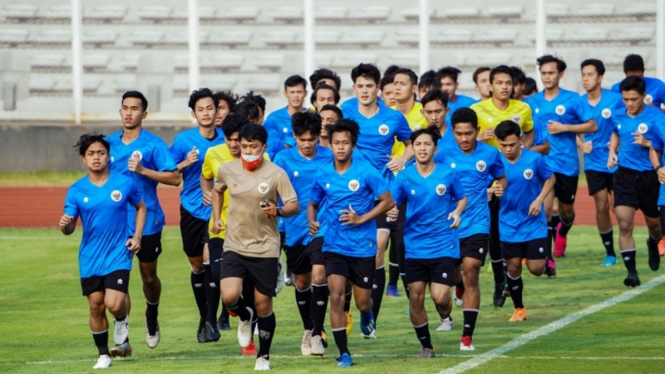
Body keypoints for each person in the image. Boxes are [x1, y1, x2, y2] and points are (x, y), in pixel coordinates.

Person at [211, 124, 299, 371]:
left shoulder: (276, 173)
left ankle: (263, 356)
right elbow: (217, 190)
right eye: (244, 146)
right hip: (235, 245)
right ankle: (244, 316)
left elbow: (293, 205)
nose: (248, 151)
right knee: (228, 296)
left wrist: (278, 210)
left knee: (264, 306)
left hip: (265, 248)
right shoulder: (228, 170)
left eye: (253, 147)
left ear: (264, 147)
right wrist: (217, 216)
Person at [308, 119, 395, 367]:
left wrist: (362, 218)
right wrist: (313, 222)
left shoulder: (366, 171)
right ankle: (344, 352)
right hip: (334, 245)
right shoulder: (323, 173)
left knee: (362, 301)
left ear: (353, 145)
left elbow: (387, 201)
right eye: (336, 143)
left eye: (345, 143)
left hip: (363, 247)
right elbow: (313, 204)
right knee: (335, 296)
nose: (340, 147)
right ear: (330, 144)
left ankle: (367, 314)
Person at [60, 133, 146, 369]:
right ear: (83, 159)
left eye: (101, 153)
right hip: (90, 257)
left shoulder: (123, 182)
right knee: (95, 305)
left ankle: (122, 318)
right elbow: (69, 228)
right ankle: (103, 355)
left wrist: (136, 236)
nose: (96, 158)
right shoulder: (76, 190)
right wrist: (66, 224)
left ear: (108, 156)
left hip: (118, 253)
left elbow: (141, 206)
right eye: (91, 154)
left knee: (114, 303)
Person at [341, 63, 412, 334]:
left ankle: (370, 316)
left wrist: (402, 159)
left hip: (382, 194)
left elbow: (410, 144)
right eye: (360, 86)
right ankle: (350, 307)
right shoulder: (345, 111)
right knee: (346, 256)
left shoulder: (392, 118)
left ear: (378, 89)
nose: (365, 91)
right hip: (350, 193)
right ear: (354, 88)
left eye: (370, 86)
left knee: (377, 251)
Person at [106, 91, 180, 350]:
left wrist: (144, 170)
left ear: (144, 114)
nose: (129, 112)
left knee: (148, 277)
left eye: (134, 108)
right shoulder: (108, 144)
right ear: (120, 111)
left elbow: (174, 178)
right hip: (115, 224)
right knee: (118, 278)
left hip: (148, 221)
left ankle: (152, 314)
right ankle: (122, 335)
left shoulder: (154, 144)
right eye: (125, 108)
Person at [391, 125, 467, 358]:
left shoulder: (447, 173)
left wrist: (457, 212)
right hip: (414, 246)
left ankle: (446, 310)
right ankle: (426, 346)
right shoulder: (404, 176)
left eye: (427, 144)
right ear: (412, 148)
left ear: (435, 148)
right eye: (418, 145)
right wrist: (392, 210)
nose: (422, 148)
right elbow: (391, 201)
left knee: (440, 296)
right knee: (416, 297)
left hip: (443, 243)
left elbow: (462, 197)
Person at [434, 108, 507, 349]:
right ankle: (457, 287)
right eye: (459, 134)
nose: (464, 139)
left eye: (469, 133)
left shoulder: (490, 153)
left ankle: (467, 335)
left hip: (477, 222)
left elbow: (502, 178)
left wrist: (497, 186)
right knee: (443, 291)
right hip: (447, 226)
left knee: (472, 270)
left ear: (477, 130)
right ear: (452, 132)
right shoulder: (442, 152)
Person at [200, 114, 268, 355]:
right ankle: (240, 312)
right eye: (228, 139)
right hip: (221, 231)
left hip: (252, 233)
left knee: (250, 287)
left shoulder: (263, 159)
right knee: (221, 276)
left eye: (237, 140)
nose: (232, 145)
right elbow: (207, 176)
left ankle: (248, 331)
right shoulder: (213, 155)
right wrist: (208, 195)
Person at [471, 65, 538, 307]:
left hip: (518, 181)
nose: (504, 87)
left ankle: (518, 271)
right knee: (494, 233)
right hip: (488, 180)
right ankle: (501, 282)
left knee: (513, 228)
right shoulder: (477, 110)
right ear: (490, 85)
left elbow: (529, 133)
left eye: (508, 82)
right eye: (499, 83)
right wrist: (478, 138)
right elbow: (466, 142)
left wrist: (526, 150)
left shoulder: (523, 108)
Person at [527, 55, 596, 265]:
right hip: (543, 164)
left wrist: (565, 127)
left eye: (551, 73)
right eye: (544, 73)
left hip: (567, 164)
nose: (547, 77)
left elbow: (592, 125)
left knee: (566, 212)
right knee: (546, 210)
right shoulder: (532, 103)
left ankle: (563, 232)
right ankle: (547, 259)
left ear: (561, 74)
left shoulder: (573, 99)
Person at [274, 112, 334, 356]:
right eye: (303, 139)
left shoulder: (330, 157)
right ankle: (308, 328)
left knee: (320, 275)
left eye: (312, 139)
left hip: (323, 227)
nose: (308, 144)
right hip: (294, 229)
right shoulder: (283, 159)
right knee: (302, 281)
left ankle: (318, 333)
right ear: (295, 137)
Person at [170, 88, 225, 343]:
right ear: (194, 113)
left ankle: (211, 320)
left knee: (211, 264)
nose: (206, 113)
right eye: (200, 109)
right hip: (191, 209)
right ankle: (204, 317)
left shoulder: (227, 138)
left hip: (219, 211)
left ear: (217, 110)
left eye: (210, 108)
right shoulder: (183, 141)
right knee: (196, 266)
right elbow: (168, 172)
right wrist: (184, 163)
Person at [495, 120, 555, 322]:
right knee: (513, 268)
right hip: (508, 224)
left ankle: (542, 261)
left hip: (533, 223)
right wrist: (490, 191)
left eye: (512, 144)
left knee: (536, 269)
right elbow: (484, 185)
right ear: (498, 143)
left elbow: (550, 178)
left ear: (520, 140)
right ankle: (519, 309)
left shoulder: (535, 159)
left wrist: (539, 199)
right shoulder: (495, 163)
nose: (508, 149)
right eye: (504, 145)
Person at [608, 76, 663, 287]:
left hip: (651, 177)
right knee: (624, 222)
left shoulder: (656, 117)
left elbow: (661, 144)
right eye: (625, 99)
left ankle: (653, 242)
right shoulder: (617, 114)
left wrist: (647, 142)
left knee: (655, 225)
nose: (629, 103)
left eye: (633, 99)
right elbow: (615, 133)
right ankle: (631, 272)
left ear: (643, 96)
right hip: (624, 175)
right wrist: (612, 151)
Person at [578, 59, 625, 266]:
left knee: (618, 206)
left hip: (615, 160)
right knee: (601, 205)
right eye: (583, 75)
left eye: (590, 75)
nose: (585, 79)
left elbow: (624, 125)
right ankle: (610, 253)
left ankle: (627, 246)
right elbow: (573, 129)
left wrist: (615, 149)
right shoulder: (579, 102)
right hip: (592, 162)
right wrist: (581, 144)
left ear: (600, 77)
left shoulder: (615, 99)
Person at [388, 67, 427, 298]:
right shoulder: (387, 114)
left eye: (402, 83)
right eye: (394, 83)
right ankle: (402, 287)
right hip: (395, 185)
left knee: (417, 237)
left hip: (423, 186)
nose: (396, 87)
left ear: (414, 88)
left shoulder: (424, 114)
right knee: (397, 239)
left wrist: (403, 158)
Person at [263, 75, 308, 154]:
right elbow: (269, 147)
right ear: (285, 93)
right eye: (292, 92)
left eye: (299, 92)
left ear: (305, 93)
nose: (296, 96)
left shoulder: (311, 117)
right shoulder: (274, 118)